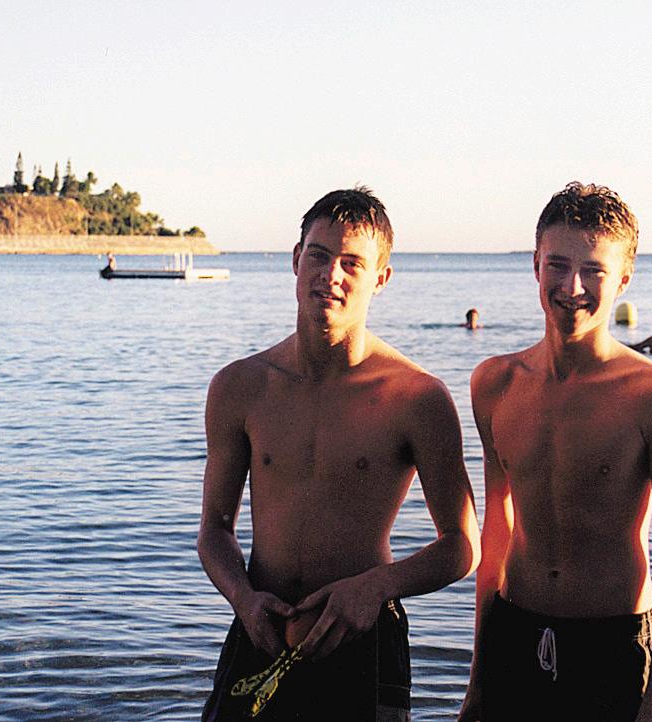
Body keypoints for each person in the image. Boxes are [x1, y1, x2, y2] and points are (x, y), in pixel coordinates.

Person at [199, 187, 481, 721]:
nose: (331, 275)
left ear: (381, 278)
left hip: (365, 637)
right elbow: (214, 529)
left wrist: (374, 589)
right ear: (296, 260)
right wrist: (243, 599)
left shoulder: (416, 397)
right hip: (261, 627)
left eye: (352, 263)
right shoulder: (240, 387)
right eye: (319, 255)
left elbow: (462, 545)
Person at [459, 182, 652, 722]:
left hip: (611, 645)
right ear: (535, 265)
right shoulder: (494, 383)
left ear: (623, 279)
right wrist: (478, 680)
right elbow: (495, 537)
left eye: (594, 270)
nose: (573, 287)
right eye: (558, 265)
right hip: (515, 632)